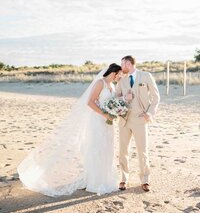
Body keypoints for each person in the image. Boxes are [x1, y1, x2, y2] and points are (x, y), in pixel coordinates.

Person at [17, 63, 122, 197]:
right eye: (120, 74)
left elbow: (111, 102)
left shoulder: (112, 86)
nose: (121, 76)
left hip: (108, 122)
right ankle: (95, 181)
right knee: (96, 148)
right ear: (114, 73)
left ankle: (104, 178)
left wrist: (116, 110)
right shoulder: (100, 83)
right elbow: (90, 102)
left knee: (107, 148)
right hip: (98, 120)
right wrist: (105, 114)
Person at [116, 55, 160, 192]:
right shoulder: (121, 79)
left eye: (122, 64)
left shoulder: (146, 76)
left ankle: (145, 180)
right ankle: (124, 178)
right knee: (123, 151)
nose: (121, 67)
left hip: (141, 119)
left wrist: (149, 113)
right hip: (124, 120)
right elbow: (116, 97)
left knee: (143, 151)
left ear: (128, 64)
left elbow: (156, 96)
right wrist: (124, 98)